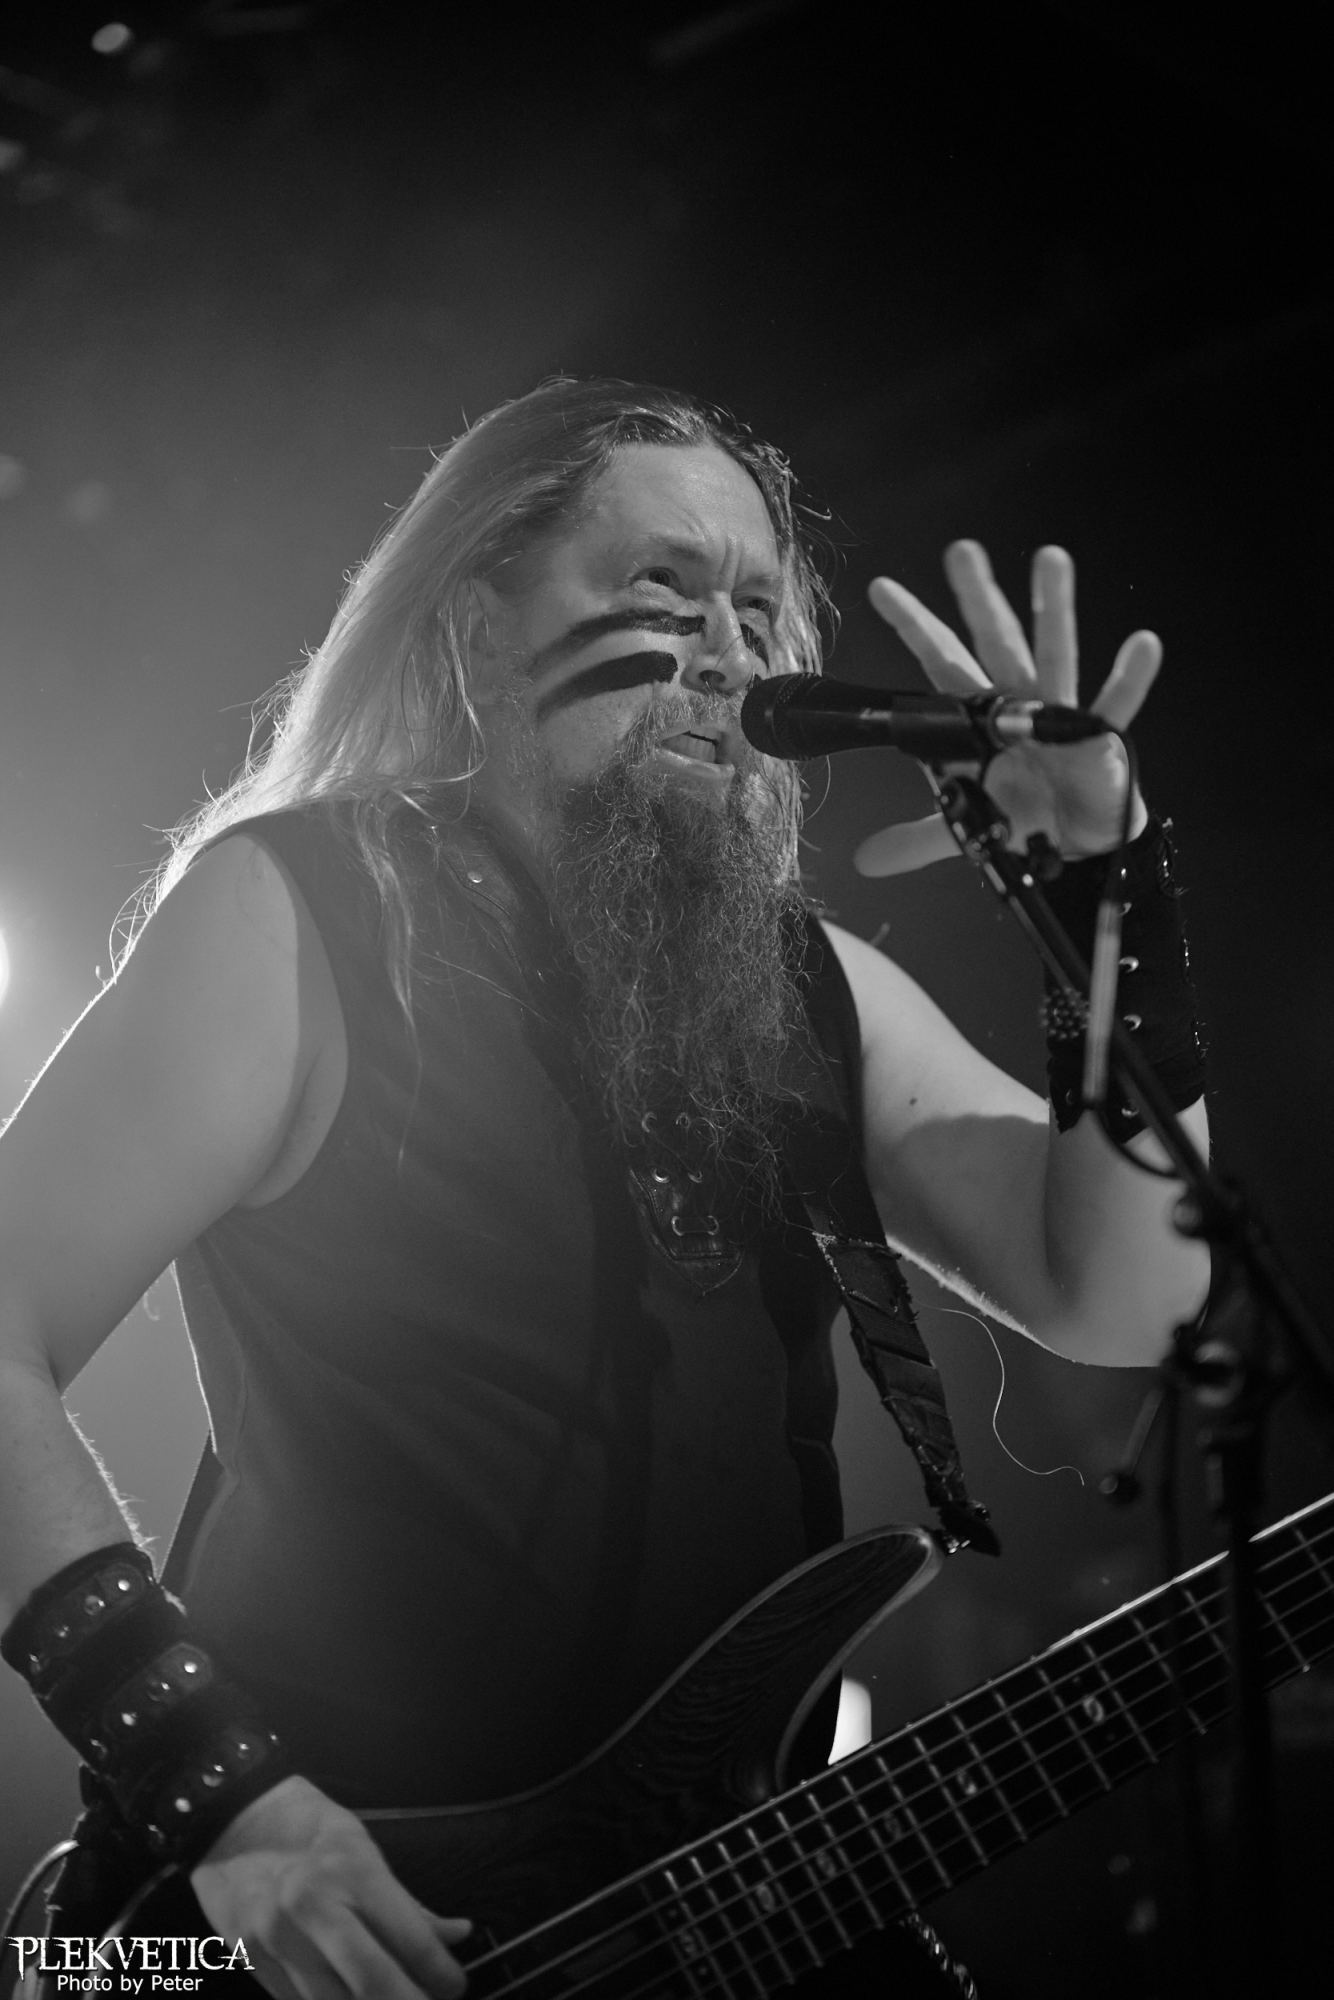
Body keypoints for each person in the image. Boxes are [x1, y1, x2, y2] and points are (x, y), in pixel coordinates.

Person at [0, 377, 1209, 1998]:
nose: (730, 656)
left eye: (760, 611)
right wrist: (226, 1802)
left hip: (705, 1909)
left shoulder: (812, 992)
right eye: (662, 590)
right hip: (281, 1929)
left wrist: (1105, 898)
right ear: (475, 626)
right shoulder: (303, 915)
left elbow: (1129, 1292)